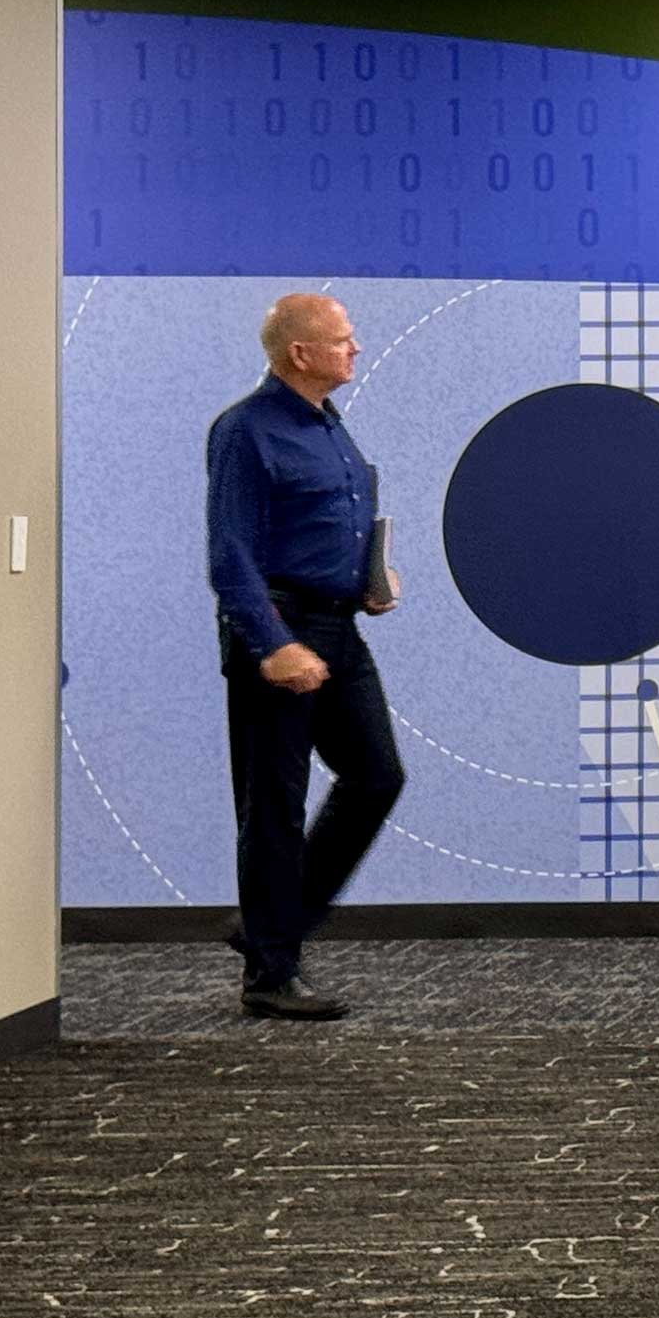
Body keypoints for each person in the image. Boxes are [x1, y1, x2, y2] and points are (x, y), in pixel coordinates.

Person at [205, 293, 404, 1020]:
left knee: (377, 775)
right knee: (274, 807)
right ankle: (269, 972)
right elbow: (230, 556)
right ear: (300, 353)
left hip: (338, 625)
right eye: (344, 339)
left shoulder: (330, 426)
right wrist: (272, 644)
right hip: (278, 631)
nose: (355, 348)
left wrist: (370, 583)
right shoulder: (245, 432)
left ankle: (273, 920)